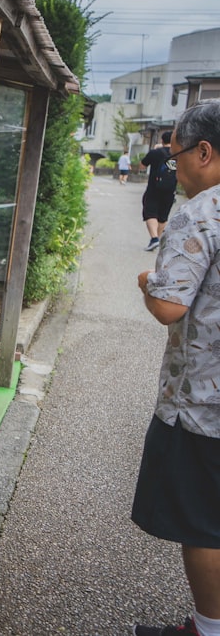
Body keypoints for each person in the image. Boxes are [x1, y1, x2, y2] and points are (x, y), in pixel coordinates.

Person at [132, 99, 220, 636]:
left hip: (205, 403)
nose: (173, 169)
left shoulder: (201, 211)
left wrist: (147, 284)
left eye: (177, 156)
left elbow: (170, 306)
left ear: (204, 152)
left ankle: (208, 628)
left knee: (204, 523)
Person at [140, 131, 180, 251]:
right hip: (170, 189)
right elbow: (173, 170)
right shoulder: (177, 154)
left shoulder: (155, 153)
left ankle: (154, 239)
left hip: (154, 188)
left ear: (162, 140)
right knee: (163, 217)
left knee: (150, 213)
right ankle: (157, 239)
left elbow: (142, 166)